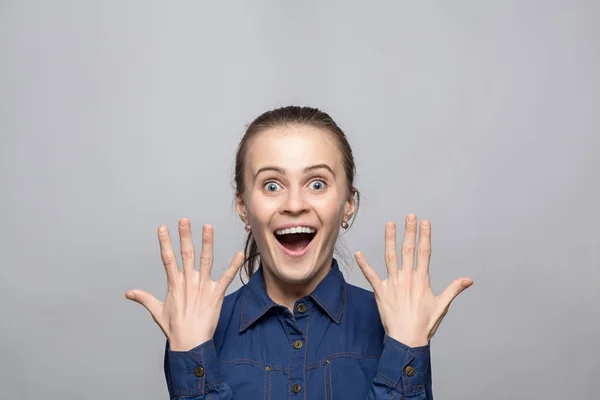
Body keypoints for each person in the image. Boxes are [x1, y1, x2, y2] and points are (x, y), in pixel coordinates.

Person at [125, 106, 473, 399]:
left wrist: (406, 347)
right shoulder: (197, 330)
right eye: (272, 185)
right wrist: (190, 354)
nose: (294, 204)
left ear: (348, 204)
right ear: (244, 207)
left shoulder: (398, 325)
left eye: (317, 183)